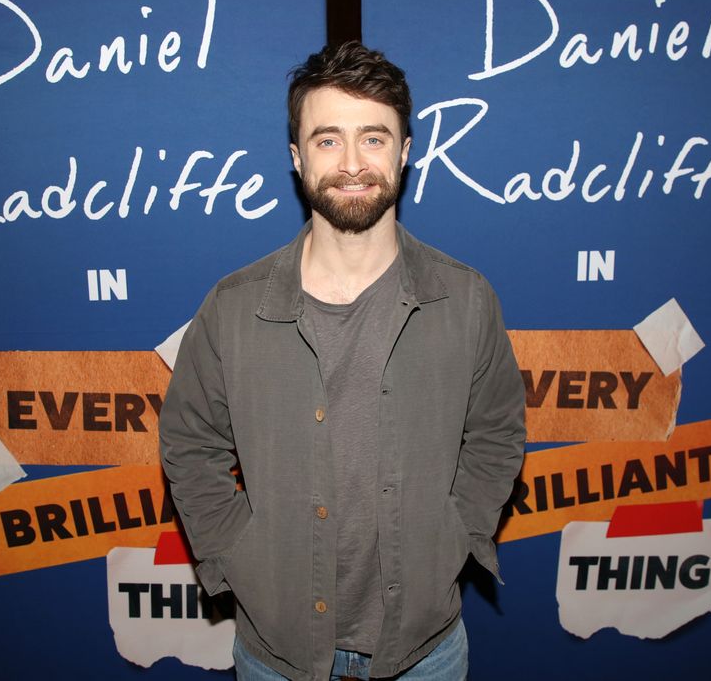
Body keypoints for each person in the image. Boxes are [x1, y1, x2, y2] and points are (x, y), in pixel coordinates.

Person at [160, 41, 526, 680]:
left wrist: (455, 536)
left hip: (425, 655)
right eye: (328, 140)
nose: (353, 163)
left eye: (374, 138)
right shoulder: (232, 309)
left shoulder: (466, 301)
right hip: (276, 657)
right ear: (297, 157)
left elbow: (497, 433)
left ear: (406, 151)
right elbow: (190, 447)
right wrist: (238, 557)